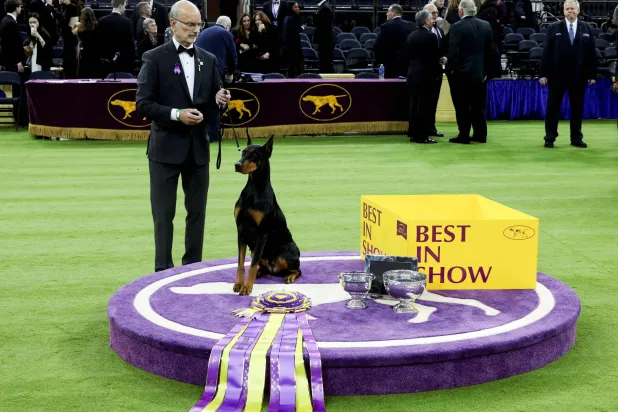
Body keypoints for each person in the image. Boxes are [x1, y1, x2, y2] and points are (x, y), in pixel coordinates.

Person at [136, 0, 231, 272]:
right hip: (165, 149)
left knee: (197, 215)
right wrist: (177, 114)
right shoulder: (154, 58)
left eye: (198, 24)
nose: (195, 29)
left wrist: (219, 98)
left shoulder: (208, 59)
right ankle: (162, 273)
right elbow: (143, 104)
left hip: (198, 149)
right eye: (190, 24)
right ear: (173, 24)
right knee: (164, 216)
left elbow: (213, 100)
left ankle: (191, 272)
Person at [539, 0, 597, 148]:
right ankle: (550, 138)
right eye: (567, 9)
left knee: (577, 108)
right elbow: (546, 52)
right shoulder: (553, 28)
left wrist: (592, 74)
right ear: (563, 11)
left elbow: (591, 53)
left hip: (579, 76)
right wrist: (543, 74)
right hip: (557, 76)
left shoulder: (587, 28)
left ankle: (576, 138)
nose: (570, 11)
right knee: (553, 108)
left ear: (578, 10)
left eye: (573, 8)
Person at [446, 0, 493, 144]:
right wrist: (486, 71)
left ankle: (464, 135)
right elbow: (490, 51)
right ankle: (480, 134)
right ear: (475, 10)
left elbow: (453, 52)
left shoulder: (457, 27)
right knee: (478, 105)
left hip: (461, 74)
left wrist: (451, 70)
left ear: (460, 11)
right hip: (479, 73)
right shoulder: (486, 25)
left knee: (462, 106)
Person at [195, 15, 237, 142]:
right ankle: (213, 136)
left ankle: (200, 135)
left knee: (201, 103)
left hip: (197, 71)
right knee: (215, 103)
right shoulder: (226, 33)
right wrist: (231, 73)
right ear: (228, 26)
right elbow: (232, 56)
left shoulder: (203, 32)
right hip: (215, 73)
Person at [406, 10, 443, 144]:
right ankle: (422, 136)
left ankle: (413, 133)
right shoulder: (431, 37)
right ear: (426, 21)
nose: (433, 20)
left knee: (414, 104)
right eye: (431, 19)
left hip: (413, 73)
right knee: (424, 105)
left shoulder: (411, 36)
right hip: (425, 74)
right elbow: (433, 57)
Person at [374, 4, 417, 79]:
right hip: (409, 66)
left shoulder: (385, 27)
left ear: (394, 13)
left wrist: (381, 61)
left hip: (391, 67)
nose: (386, 14)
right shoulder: (412, 26)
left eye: (388, 11)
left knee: (390, 88)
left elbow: (377, 45)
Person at [423, 3, 446, 137]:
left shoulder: (440, 30)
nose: (436, 15)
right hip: (425, 72)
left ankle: (431, 127)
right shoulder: (419, 31)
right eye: (433, 13)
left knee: (434, 101)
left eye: (436, 12)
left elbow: (443, 48)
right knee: (425, 102)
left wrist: (444, 58)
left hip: (437, 71)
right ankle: (424, 128)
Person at [97, 0, 135, 75]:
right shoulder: (127, 22)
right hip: (123, 61)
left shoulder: (101, 20)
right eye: (124, 5)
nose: (125, 8)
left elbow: (99, 41)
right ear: (120, 6)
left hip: (106, 61)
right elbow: (130, 44)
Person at [73, 7, 100, 78]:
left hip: (84, 56)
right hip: (95, 55)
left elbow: (73, 31)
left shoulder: (82, 30)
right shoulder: (97, 26)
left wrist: (77, 24)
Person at [0, 0, 25, 73]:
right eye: (20, 7)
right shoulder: (10, 22)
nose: (21, 9)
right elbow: (12, 45)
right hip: (12, 63)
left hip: (8, 61)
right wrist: (18, 62)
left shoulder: (5, 19)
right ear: (16, 8)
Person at [282, 1, 303, 78]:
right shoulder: (291, 19)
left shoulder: (290, 18)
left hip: (294, 48)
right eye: (295, 7)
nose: (298, 9)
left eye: (298, 7)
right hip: (292, 49)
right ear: (290, 8)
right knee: (292, 70)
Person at [314, 0, 334, 73]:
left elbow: (324, 26)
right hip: (325, 40)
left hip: (325, 41)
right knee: (324, 62)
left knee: (325, 63)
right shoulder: (324, 6)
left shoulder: (325, 8)